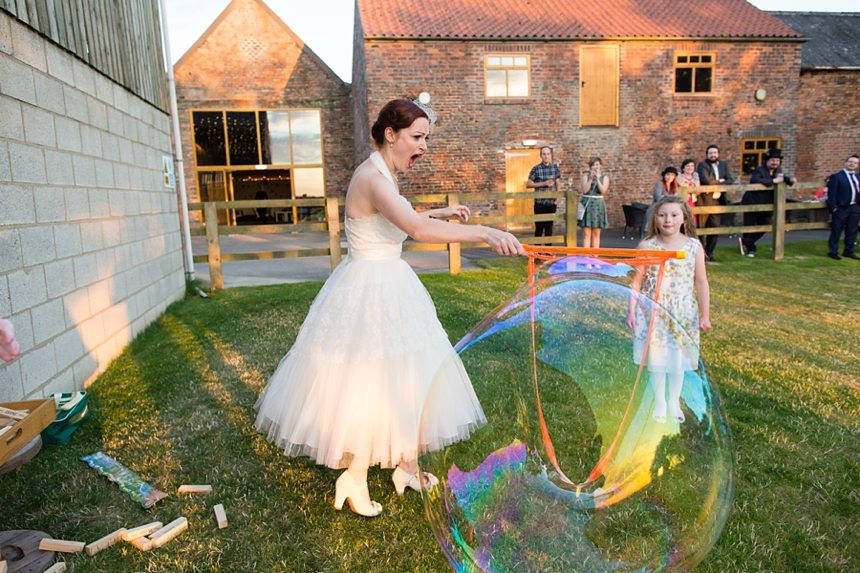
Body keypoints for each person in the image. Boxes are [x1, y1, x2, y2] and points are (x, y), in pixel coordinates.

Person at [254, 99, 524, 518]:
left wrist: (439, 211)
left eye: (426, 138)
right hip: (369, 290)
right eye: (418, 137)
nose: (424, 146)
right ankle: (355, 476)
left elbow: (396, 222)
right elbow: (414, 229)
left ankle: (407, 466)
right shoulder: (372, 176)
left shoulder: (382, 172)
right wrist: (485, 232)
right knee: (372, 378)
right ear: (390, 135)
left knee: (410, 373)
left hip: (390, 284)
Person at [627, 195, 711, 423]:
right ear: (655, 217)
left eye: (674, 215)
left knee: (677, 359)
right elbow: (637, 280)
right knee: (657, 358)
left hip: (682, 311)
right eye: (662, 215)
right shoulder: (647, 245)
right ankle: (660, 402)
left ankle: (673, 400)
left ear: (684, 218)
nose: (668, 220)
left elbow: (701, 282)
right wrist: (631, 309)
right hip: (653, 310)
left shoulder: (693, 246)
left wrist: (705, 314)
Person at [740, 149, 795, 258]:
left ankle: (746, 242)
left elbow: (783, 178)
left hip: (766, 205)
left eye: (777, 160)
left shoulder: (778, 171)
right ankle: (751, 249)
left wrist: (791, 180)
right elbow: (755, 180)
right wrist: (773, 182)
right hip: (752, 202)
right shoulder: (759, 170)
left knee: (765, 225)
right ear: (767, 161)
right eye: (773, 160)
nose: (775, 162)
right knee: (749, 226)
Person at [696, 145, 734, 261]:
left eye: (715, 153)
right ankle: (701, 254)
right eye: (711, 153)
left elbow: (730, 180)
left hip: (717, 200)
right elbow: (706, 181)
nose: (713, 155)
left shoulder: (723, 165)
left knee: (715, 228)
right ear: (707, 154)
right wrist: (721, 181)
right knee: (701, 228)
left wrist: (718, 182)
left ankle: (709, 252)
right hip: (705, 201)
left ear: (718, 154)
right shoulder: (703, 165)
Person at [826, 154, 860, 260]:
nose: (852, 164)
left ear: (857, 165)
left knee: (852, 231)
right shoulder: (836, 176)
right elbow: (831, 194)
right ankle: (833, 251)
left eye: (855, 163)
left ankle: (849, 251)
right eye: (850, 162)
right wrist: (833, 208)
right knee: (836, 230)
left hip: (855, 207)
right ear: (845, 163)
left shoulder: (858, 177)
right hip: (841, 208)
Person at [526, 146, 562, 241]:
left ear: (551, 155)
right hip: (539, 203)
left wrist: (558, 198)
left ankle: (547, 252)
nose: (546, 156)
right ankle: (537, 253)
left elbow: (558, 184)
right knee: (539, 229)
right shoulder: (536, 169)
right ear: (541, 156)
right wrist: (544, 183)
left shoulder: (555, 168)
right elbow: (528, 184)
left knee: (549, 229)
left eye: (548, 154)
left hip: (551, 203)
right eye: (544, 154)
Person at [579, 157, 610, 248]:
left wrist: (597, 180)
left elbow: (603, 190)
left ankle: (595, 256)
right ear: (590, 167)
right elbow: (585, 190)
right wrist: (590, 179)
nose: (595, 167)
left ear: (600, 166)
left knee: (596, 233)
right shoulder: (585, 176)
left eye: (597, 165)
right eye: (593, 165)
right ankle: (586, 257)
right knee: (586, 233)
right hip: (587, 205)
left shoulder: (605, 177)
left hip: (598, 206)